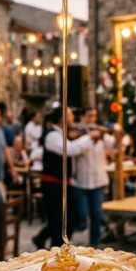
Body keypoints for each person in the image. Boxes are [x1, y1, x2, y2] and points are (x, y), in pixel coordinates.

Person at [33, 107, 102, 249]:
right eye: (70, 115)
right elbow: (69, 150)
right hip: (53, 185)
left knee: (70, 219)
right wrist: (88, 137)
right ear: (61, 118)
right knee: (59, 220)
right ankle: (56, 249)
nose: (72, 118)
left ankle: (44, 239)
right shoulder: (53, 136)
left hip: (64, 184)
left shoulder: (64, 134)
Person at [71, 108, 115, 247]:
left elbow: (114, 146)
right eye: (89, 116)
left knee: (96, 215)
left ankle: (94, 245)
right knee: (80, 215)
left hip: (98, 180)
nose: (92, 119)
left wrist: (111, 133)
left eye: (94, 116)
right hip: (80, 180)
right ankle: (65, 240)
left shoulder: (100, 134)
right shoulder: (77, 133)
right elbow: (75, 149)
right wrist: (89, 136)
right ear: (82, 117)